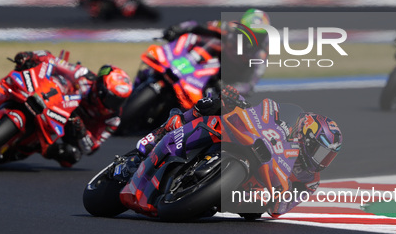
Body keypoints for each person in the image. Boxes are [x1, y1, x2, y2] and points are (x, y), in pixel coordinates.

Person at [128, 85, 342, 217]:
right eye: (320, 152)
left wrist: (275, 197)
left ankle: (197, 194)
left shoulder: (309, 180)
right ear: (306, 135)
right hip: (249, 141)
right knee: (212, 106)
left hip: (251, 191)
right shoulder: (288, 125)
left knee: (255, 213)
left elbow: (280, 209)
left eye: (328, 157)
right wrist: (237, 102)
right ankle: (167, 129)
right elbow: (266, 112)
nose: (321, 161)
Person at [13, 51, 133, 167]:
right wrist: (30, 56)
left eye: (120, 102)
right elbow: (52, 60)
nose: (114, 105)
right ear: (101, 89)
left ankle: (36, 147)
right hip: (53, 102)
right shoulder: (83, 75)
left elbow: (91, 148)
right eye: (112, 100)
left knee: (72, 155)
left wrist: (81, 130)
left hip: (70, 128)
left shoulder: (113, 119)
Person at [161, 8, 271, 95]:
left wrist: (228, 88)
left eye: (257, 36)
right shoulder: (229, 27)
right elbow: (197, 25)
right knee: (211, 41)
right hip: (208, 63)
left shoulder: (261, 54)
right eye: (248, 33)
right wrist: (178, 28)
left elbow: (249, 85)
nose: (251, 39)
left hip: (226, 82)